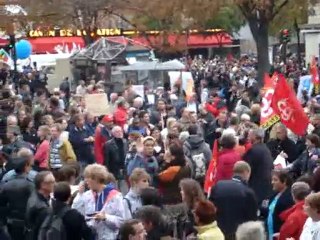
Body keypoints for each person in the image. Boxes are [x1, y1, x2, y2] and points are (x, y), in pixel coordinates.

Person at [72, 164, 125, 240]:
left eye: (88, 178)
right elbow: (75, 211)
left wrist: (106, 217)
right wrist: (80, 194)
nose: (86, 181)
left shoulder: (115, 196)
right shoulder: (86, 195)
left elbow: (121, 221)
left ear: (96, 179)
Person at [210, 161, 257, 240]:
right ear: (246, 172)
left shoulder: (218, 186)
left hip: (218, 231)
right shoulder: (248, 192)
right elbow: (252, 218)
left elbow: (210, 208)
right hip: (238, 234)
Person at [0, 157, 34, 240]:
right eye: (30, 165)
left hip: (10, 221)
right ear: (26, 167)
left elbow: (2, 205)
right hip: (27, 223)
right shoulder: (31, 185)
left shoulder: (6, 185)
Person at [243, 128, 273, 204]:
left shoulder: (254, 150)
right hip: (264, 186)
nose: (248, 136)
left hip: (255, 186)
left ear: (255, 136)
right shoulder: (265, 149)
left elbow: (246, 167)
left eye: (250, 134)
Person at [26, 171, 55, 240]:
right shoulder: (42, 208)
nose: (54, 184)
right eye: (52, 182)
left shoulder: (35, 194)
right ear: (43, 185)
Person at [265, 170, 294, 240]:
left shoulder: (289, 198)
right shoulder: (274, 195)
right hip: (270, 233)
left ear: (284, 181)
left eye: (275, 180)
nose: (272, 182)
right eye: (272, 180)